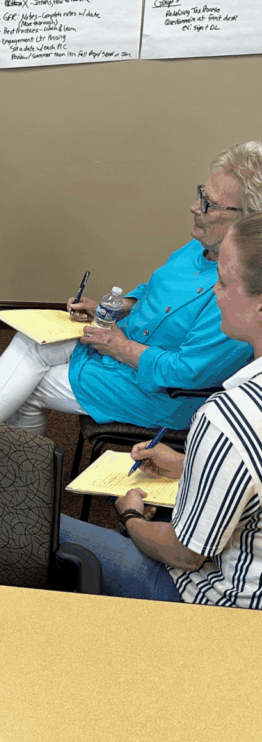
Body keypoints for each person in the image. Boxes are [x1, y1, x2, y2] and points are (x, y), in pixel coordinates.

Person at [0, 143, 262, 435]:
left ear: (248, 220)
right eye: (201, 194)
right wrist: (118, 308)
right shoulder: (200, 247)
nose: (194, 207)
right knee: (31, 343)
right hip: (123, 345)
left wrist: (120, 348)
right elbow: (155, 288)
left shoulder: (239, 291)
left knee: (24, 389)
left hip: (162, 393)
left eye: (208, 204)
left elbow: (187, 373)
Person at [60, 212, 262, 606]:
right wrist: (191, 465)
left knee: (42, 527)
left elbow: (184, 554)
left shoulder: (227, 418)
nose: (214, 292)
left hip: (221, 603)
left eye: (223, 282)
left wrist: (130, 516)